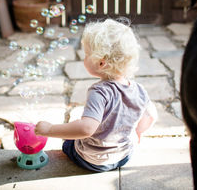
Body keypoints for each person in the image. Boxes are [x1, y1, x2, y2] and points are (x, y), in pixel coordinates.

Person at [35, 18, 157, 172]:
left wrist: (50, 129)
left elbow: (86, 129)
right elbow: (151, 116)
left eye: (86, 55)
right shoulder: (139, 90)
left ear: (101, 63)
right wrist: (138, 132)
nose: (84, 58)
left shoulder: (99, 92)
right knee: (81, 125)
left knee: (69, 142)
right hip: (123, 156)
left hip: (93, 161)